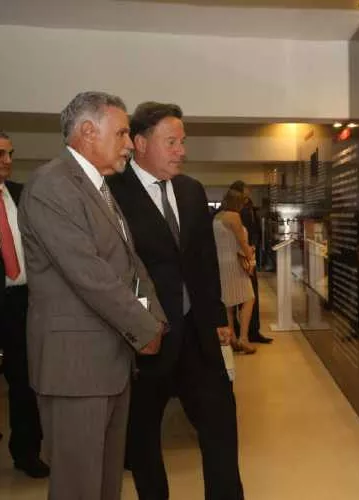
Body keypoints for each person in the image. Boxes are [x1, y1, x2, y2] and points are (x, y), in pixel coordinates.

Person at [17, 91, 166, 500]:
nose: (129, 144)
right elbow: (90, 275)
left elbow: (131, 266)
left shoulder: (98, 187)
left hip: (109, 363)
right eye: (121, 133)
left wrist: (155, 318)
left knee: (105, 485)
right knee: (78, 487)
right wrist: (145, 329)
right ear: (87, 132)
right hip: (76, 369)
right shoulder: (52, 185)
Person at [107, 102, 243, 500]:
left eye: (182, 142)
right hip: (148, 338)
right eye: (171, 142)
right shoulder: (112, 194)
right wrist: (140, 326)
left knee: (220, 424)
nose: (181, 151)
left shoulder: (191, 190)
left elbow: (203, 261)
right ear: (140, 143)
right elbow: (117, 271)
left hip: (199, 336)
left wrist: (217, 316)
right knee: (144, 436)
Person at [0, 132, 48, 478]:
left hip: (23, 303)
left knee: (26, 381)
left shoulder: (21, 195)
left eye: (10, 154)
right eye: (0, 154)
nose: (7, 160)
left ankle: (27, 451)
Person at [213, 187, 257, 354]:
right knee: (249, 298)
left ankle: (231, 338)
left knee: (228, 304)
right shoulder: (234, 216)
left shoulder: (217, 217)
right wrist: (250, 254)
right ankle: (243, 339)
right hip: (234, 263)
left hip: (220, 263)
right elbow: (242, 243)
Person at [232, 181, 272, 344]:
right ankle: (244, 333)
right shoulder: (235, 212)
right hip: (242, 256)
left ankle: (249, 331)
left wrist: (253, 247)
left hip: (248, 254)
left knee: (247, 295)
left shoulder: (246, 208)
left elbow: (253, 231)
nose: (248, 194)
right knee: (244, 296)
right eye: (246, 191)